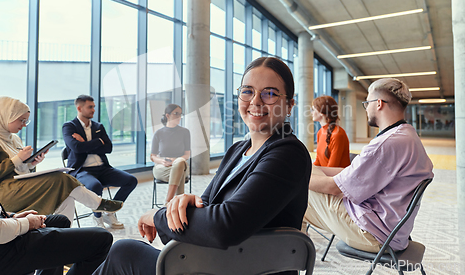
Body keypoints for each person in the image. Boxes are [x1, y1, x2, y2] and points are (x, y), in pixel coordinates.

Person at [93, 56, 312, 275]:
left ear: (290, 105)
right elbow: (206, 205)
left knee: (124, 252)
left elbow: (225, 225)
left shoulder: (288, 153)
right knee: (118, 252)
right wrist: (180, 205)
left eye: (270, 93)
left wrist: (158, 217)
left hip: (239, 268)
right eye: (247, 91)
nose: (255, 101)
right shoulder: (237, 151)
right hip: (214, 261)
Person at [0, 57, 112, 275]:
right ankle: (99, 203)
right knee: (102, 239)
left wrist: (11, 218)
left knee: (60, 221)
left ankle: (97, 204)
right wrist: (26, 224)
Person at [303, 78, 434, 252]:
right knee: (306, 171)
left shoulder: (386, 144)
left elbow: (335, 188)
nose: (366, 109)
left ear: (378, 103)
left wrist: (296, 177)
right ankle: (295, 254)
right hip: (391, 229)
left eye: (367, 103)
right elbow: (350, 173)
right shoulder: (407, 136)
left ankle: (291, 258)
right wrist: (309, 169)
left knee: (293, 192)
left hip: (374, 233)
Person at [0, 96, 123, 227]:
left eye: (26, 121)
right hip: (0, 195)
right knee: (61, 178)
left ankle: (64, 236)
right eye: (21, 120)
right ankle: (98, 203)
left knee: (66, 196)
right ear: (6, 116)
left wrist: (30, 164)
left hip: (18, 187)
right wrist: (18, 159)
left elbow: (18, 170)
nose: (24, 125)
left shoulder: (13, 138)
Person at [63, 95, 138, 229]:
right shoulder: (69, 126)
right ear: (79, 108)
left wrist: (85, 143)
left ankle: (111, 211)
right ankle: (97, 217)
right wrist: (98, 142)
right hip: (81, 171)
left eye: (94, 107)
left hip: (103, 169)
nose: (93, 110)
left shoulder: (98, 126)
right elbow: (76, 148)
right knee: (95, 186)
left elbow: (108, 148)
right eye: (90, 107)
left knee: (131, 180)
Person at [150, 104, 191, 203]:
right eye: (176, 114)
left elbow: (187, 155)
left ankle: (168, 202)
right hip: (162, 167)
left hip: (180, 163)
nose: (179, 117)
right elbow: (152, 156)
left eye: (180, 114)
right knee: (179, 173)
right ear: (167, 115)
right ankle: (178, 204)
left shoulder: (185, 132)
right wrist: (162, 161)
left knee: (180, 163)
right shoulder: (159, 133)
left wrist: (176, 160)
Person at [311, 95, 350, 168]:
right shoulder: (320, 132)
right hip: (326, 174)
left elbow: (332, 168)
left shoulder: (338, 134)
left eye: (313, 109)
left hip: (337, 177)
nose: (311, 113)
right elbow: (318, 161)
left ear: (321, 112)